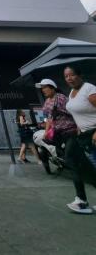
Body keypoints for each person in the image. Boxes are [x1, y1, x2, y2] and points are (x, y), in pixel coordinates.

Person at [64, 65, 96, 214]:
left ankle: (81, 201)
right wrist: (78, 127)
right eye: (66, 76)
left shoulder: (89, 89)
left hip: (93, 134)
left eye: (72, 75)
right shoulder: (72, 92)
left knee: (92, 166)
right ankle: (81, 200)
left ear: (80, 75)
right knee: (71, 159)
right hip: (82, 134)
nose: (69, 78)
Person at [34, 79, 77, 172]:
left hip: (69, 130)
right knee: (59, 151)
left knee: (69, 155)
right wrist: (46, 132)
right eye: (42, 88)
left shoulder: (61, 98)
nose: (43, 90)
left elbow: (73, 112)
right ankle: (64, 165)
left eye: (45, 87)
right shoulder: (47, 102)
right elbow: (49, 118)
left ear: (53, 88)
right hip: (58, 132)